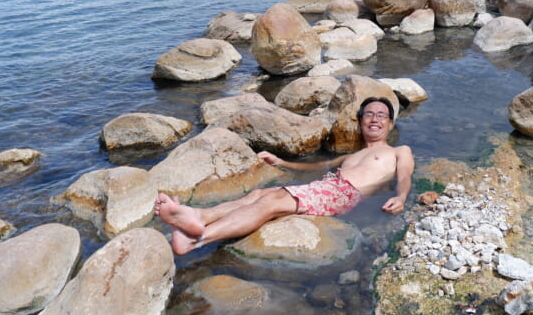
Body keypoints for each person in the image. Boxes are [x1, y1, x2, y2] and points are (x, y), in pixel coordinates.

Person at [153, 96, 414, 256]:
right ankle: (201, 216)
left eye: (382, 115)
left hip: (344, 193)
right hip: (327, 187)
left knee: (272, 201)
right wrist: (282, 162)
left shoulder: (399, 150)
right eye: (369, 114)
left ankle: (196, 240)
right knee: (259, 194)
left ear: (390, 124)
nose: (375, 119)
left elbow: (404, 176)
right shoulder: (351, 155)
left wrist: (401, 197)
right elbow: (317, 166)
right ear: (360, 121)